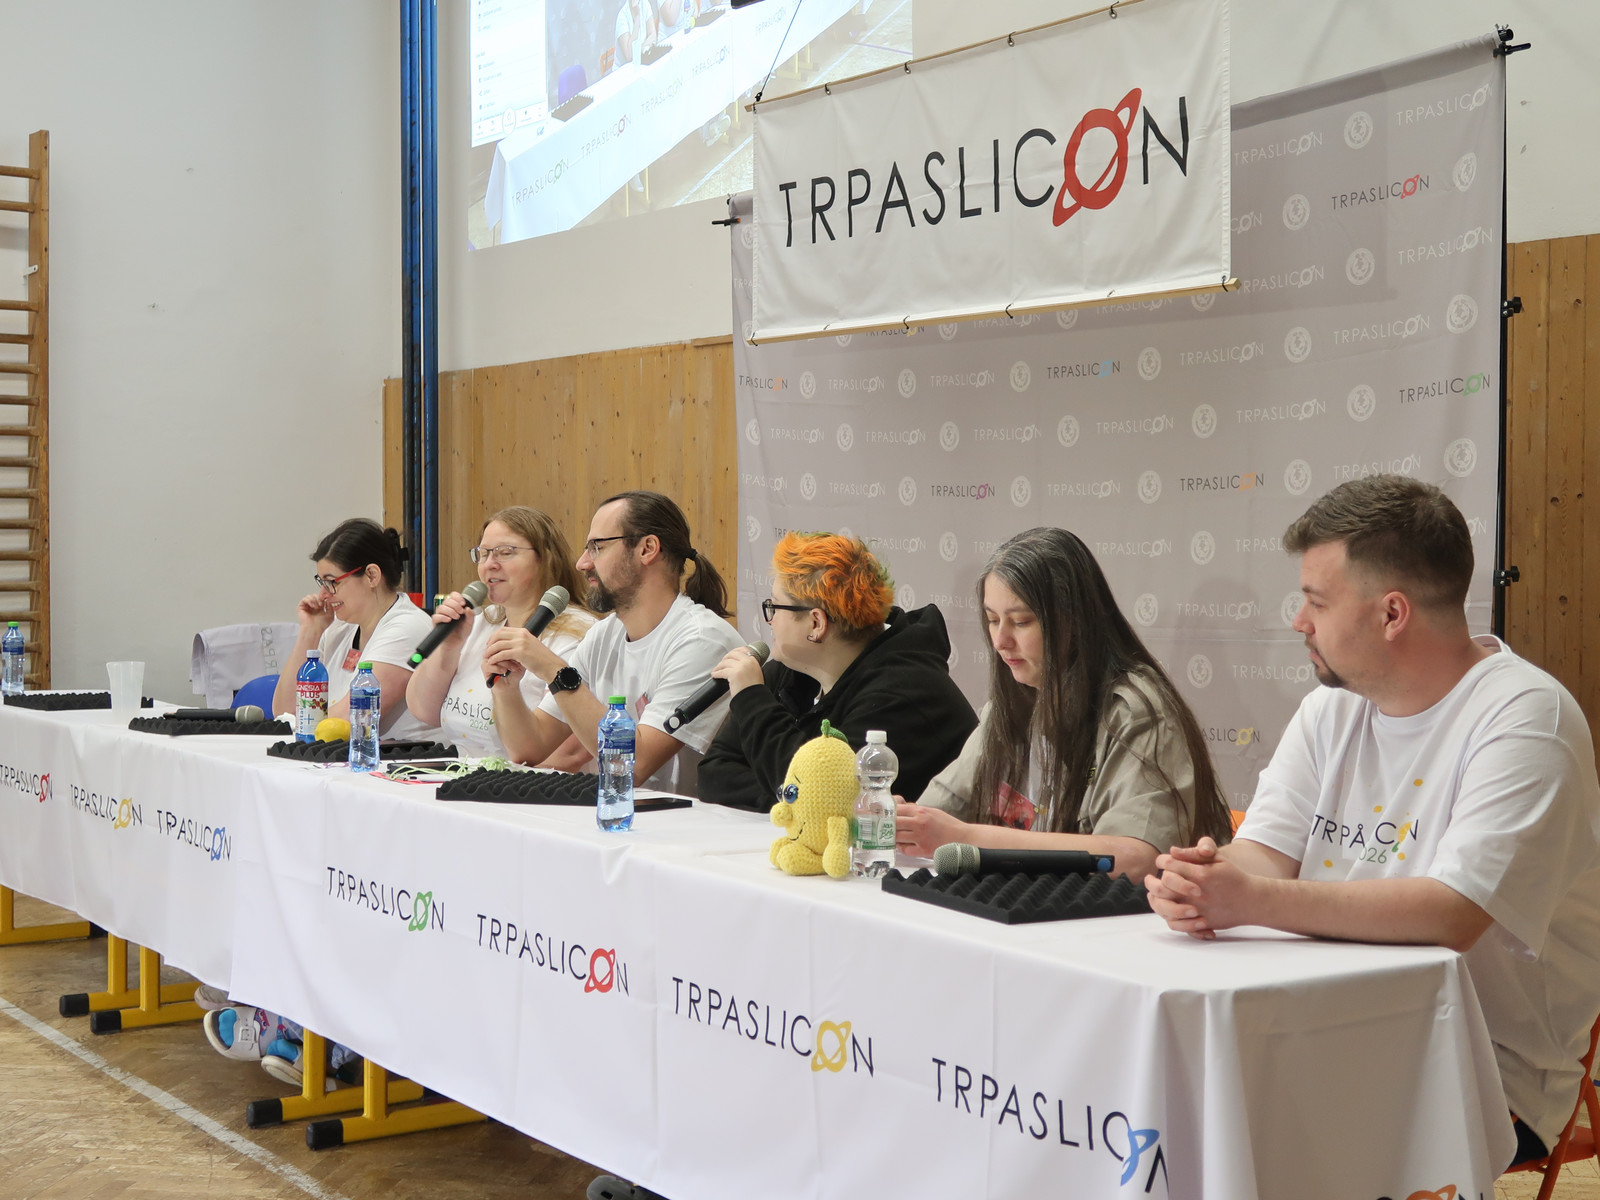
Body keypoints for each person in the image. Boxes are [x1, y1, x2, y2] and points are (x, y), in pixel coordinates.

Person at [1145, 475, 1600, 1167]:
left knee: (1225, 1137)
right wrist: (1201, 878)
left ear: (1392, 613)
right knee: (1168, 1105)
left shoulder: (1528, 718)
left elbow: (1453, 914)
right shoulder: (1332, 708)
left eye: (1316, 601)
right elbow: (1264, 855)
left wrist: (1252, 899)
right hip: (1320, 1018)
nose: (1299, 621)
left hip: (1481, 1068)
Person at [895, 527, 1234, 882]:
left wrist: (965, 837)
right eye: (993, 620)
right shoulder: (1007, 707)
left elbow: (1135, 859)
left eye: (1020, 622)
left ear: (1074, 622)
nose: (1000, 641)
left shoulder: (1135, 712)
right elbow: (939, 811)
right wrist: (899, 822)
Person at [486, 490, 743, 794]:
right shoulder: (604, 635)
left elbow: (635, 766)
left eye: (597, 547)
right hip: (624, 814)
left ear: (647, 549)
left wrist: (555, 671)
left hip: (688, 821)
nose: (582, 563)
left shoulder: (701, 640)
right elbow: (529, 749)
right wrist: (506, 689)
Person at [698, 532, 977, 810]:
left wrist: (751, 699)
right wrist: (789, 796)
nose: (770, 620)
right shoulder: (792, 669)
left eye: (774, 606)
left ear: (816, 624)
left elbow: (822, 798)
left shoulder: (903, 693)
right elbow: (714, 774)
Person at [405, 506, 597, 759]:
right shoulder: (480, 622)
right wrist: (447, 649)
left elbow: (565, 755)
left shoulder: (579, 634)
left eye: (505, 553)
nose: (489, 564)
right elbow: (423, 711)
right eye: (483, 554)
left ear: (546, 558)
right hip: (462, 774)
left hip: (527, 780)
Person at [270, 518, 436, 741]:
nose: (324, 595)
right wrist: (310, 632)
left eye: (332, 582)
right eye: (322, 583)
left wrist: (299, 722)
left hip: (400, 760)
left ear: (372, 576)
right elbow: (285, 711)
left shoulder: (408, 628)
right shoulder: (340, 629)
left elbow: (346, 722)